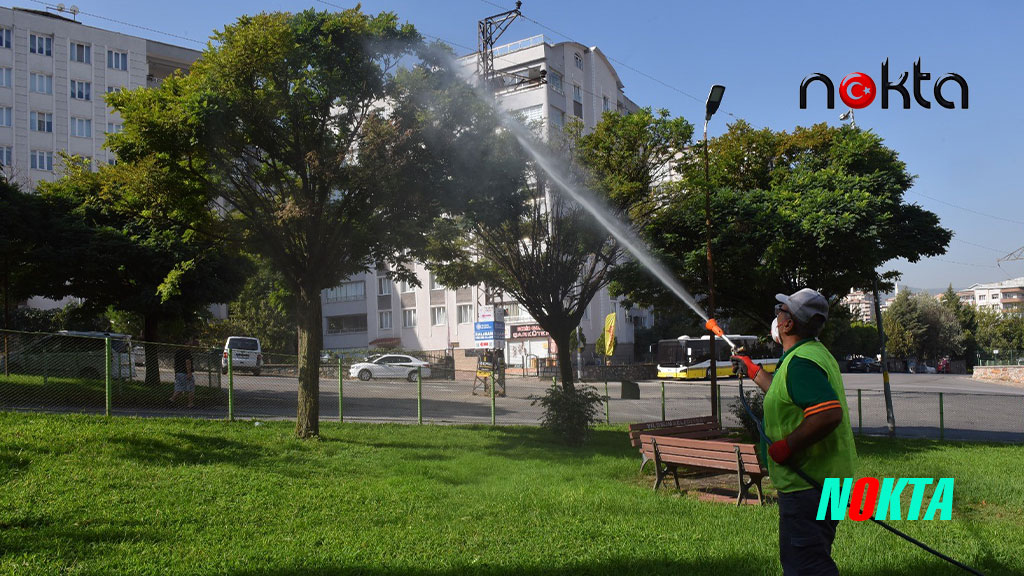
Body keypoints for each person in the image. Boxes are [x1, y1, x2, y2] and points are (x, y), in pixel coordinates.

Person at [732, 288, 857, 576]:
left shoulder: (801, 363)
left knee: (806, 566)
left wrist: (787, 446)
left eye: (781, 311)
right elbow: (786, 392)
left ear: (788, 324)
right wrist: (753, 370)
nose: (776, 316)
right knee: (810, 559)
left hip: (808, 485)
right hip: (827, 482)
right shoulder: (811, 355)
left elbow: (828, 413)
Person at [170, 339, 196, 408]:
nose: (190, 345)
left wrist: (176, 373)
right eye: (189, 343)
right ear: (185, 344)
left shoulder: (177, 352)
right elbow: (188, 362)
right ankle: (190, 404)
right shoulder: (187, 352)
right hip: (185, 373)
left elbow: (175, 364)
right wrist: (189, 373)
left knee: (179, 389)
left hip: (178, 373)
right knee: (191, 389)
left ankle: (171, 400)